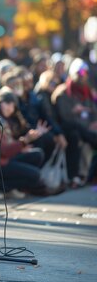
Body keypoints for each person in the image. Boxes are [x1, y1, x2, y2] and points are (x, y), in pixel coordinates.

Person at [0, 87, 50, 198]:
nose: (10, 108)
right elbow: (3, 150)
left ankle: (14, 187)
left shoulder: (2, 119)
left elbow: (8, 144)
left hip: (4, 159)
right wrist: (24, 141)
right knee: (35, 174)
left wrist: (23, 146)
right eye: (7, 103)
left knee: (37, 154)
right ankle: (0, 186)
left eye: (13, 106)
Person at [52, 58, 97, 186]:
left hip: (89, 127)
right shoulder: (63, 92)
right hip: (74, 129)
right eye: (80, 73)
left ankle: (83, 176)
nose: (83, 76)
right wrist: (74, 111)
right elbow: (64, 117)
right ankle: (80, 176)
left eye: (85, 73)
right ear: (73, 73)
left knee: (87, 144)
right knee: (83, 141)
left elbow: (93, 110)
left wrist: (94, 121)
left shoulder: (87, 91)